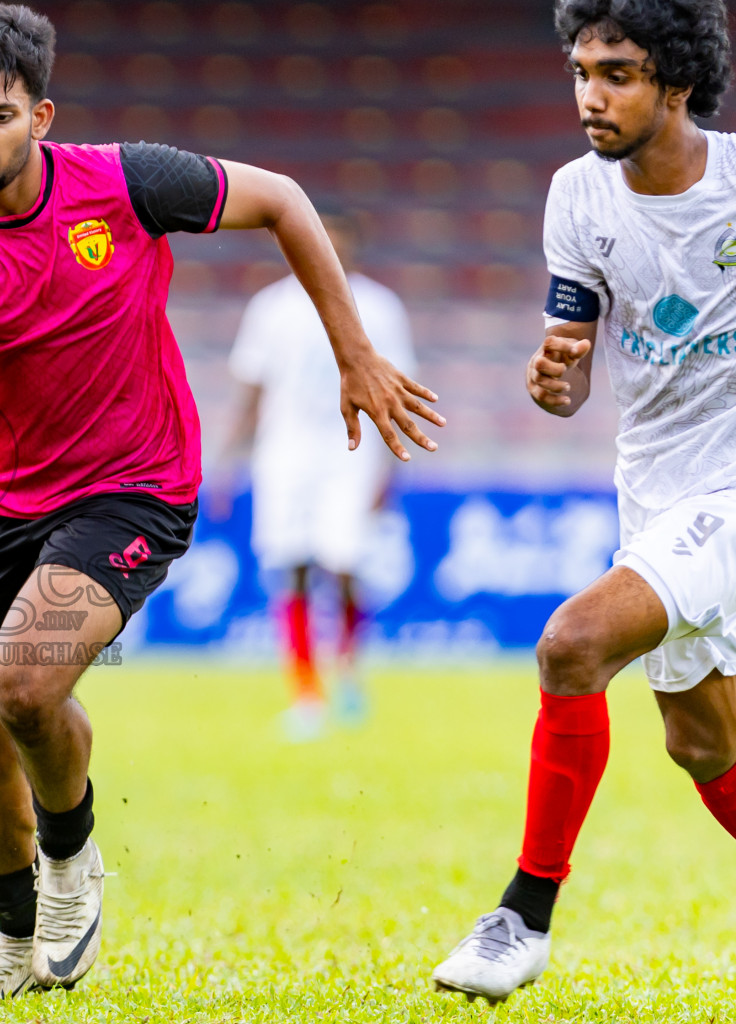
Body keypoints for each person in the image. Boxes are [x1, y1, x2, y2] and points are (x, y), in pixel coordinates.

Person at [0, 3, 443, 1000]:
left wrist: (355, 353)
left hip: (137, 484)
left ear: (42, 115)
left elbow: (288, 201)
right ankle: (11, 936)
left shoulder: (125, 181)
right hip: (4, 497)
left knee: (27, 684)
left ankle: (71, 860)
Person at [432, 0, 736, 1003]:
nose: (590, 96)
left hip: (729, 487)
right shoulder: (576, 193)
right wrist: (555, 380)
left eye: (617, 73)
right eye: (580, 71)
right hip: (651, 485)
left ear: (677, 81)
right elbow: (572, 356)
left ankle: (522, 914)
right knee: (702, 742)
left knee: (572, 643)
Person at [227, 211, 416, 741]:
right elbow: (253, 389)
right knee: (291, 567)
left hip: (350, 454)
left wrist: (391, 466)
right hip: (283, 454)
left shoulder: (378, 307)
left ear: (352, 248)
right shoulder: (271, 307)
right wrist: (227, 459)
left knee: (345, 561)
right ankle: (306, 693)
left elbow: (397, 389)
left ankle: (350, 673)